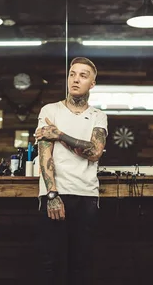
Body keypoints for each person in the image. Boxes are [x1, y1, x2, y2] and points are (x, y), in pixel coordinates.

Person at [34, 57, 108, 285]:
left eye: (83, 75)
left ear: (92, 84)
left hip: (86, 195)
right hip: (56, 194)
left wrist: (60, 135)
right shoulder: (50, 110)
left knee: (81, 263)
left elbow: (95, 151)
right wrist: (52, 195)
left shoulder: (98, 116)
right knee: (52, 264)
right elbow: (45, 155)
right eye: (72, 74)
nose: (75, 79)